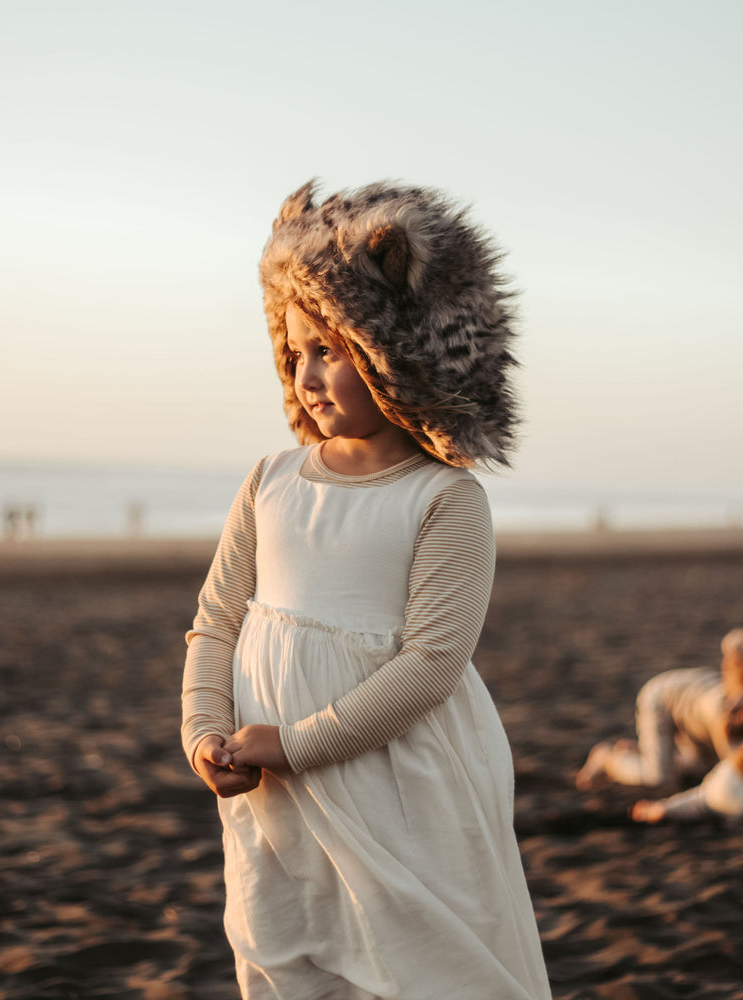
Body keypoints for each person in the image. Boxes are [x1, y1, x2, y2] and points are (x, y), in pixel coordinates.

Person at [181, 180, 551, 999]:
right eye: (295, 349)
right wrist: (206, 730)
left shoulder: (444, 497)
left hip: (398, 777)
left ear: (398, 349)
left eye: (333, 348)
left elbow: (431, 664)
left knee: (423, 959)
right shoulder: (269, 480)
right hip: (271, 787)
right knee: (293, 952)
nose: (308, 373)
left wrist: (298, 741)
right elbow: (215, 623)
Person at [576, 627, 743, 823]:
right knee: (661, 780)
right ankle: (608, 759)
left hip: (693, 723)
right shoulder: (725, 708)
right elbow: (736, 765)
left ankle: (642, 753)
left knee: (695, 773)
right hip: (660, 702)